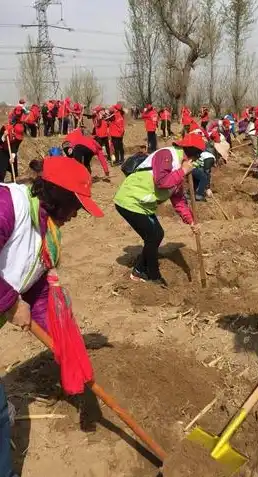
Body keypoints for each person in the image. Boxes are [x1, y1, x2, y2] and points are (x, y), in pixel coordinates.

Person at [0, 155, 103, 477]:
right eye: (76, 205)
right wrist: (10, 303)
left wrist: (67, 348)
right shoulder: (7, 205)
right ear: (58, 196)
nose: (76, 215)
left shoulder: (48, 229)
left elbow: (39, 291)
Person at [114, 134, 204, 285]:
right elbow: (162, 182)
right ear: (190, 152)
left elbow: (179, 201)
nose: (196, 160)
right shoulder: (167, 155)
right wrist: (182, 171)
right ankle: (152, 275)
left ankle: (139, 270)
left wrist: (191, 221)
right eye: (197, 156)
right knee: (153, 236)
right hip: (129, 200)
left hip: (143, 205)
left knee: (157, 234)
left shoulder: (181, 169)